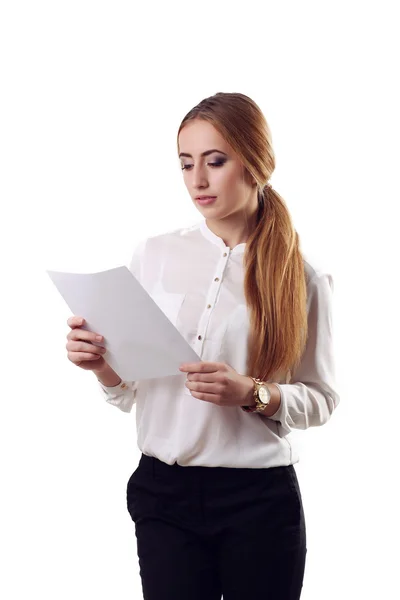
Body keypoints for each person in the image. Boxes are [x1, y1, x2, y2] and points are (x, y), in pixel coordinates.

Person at [65, 92, 340, 600]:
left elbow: (321, 400)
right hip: (161, 493)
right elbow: (131, 392)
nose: (198, 180)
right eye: (186, 163)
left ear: (256, 162)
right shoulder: (154, 254)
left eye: (216, 161)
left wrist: (253, 393)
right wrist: (103, 366)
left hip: (258, 500)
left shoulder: (303, 278)